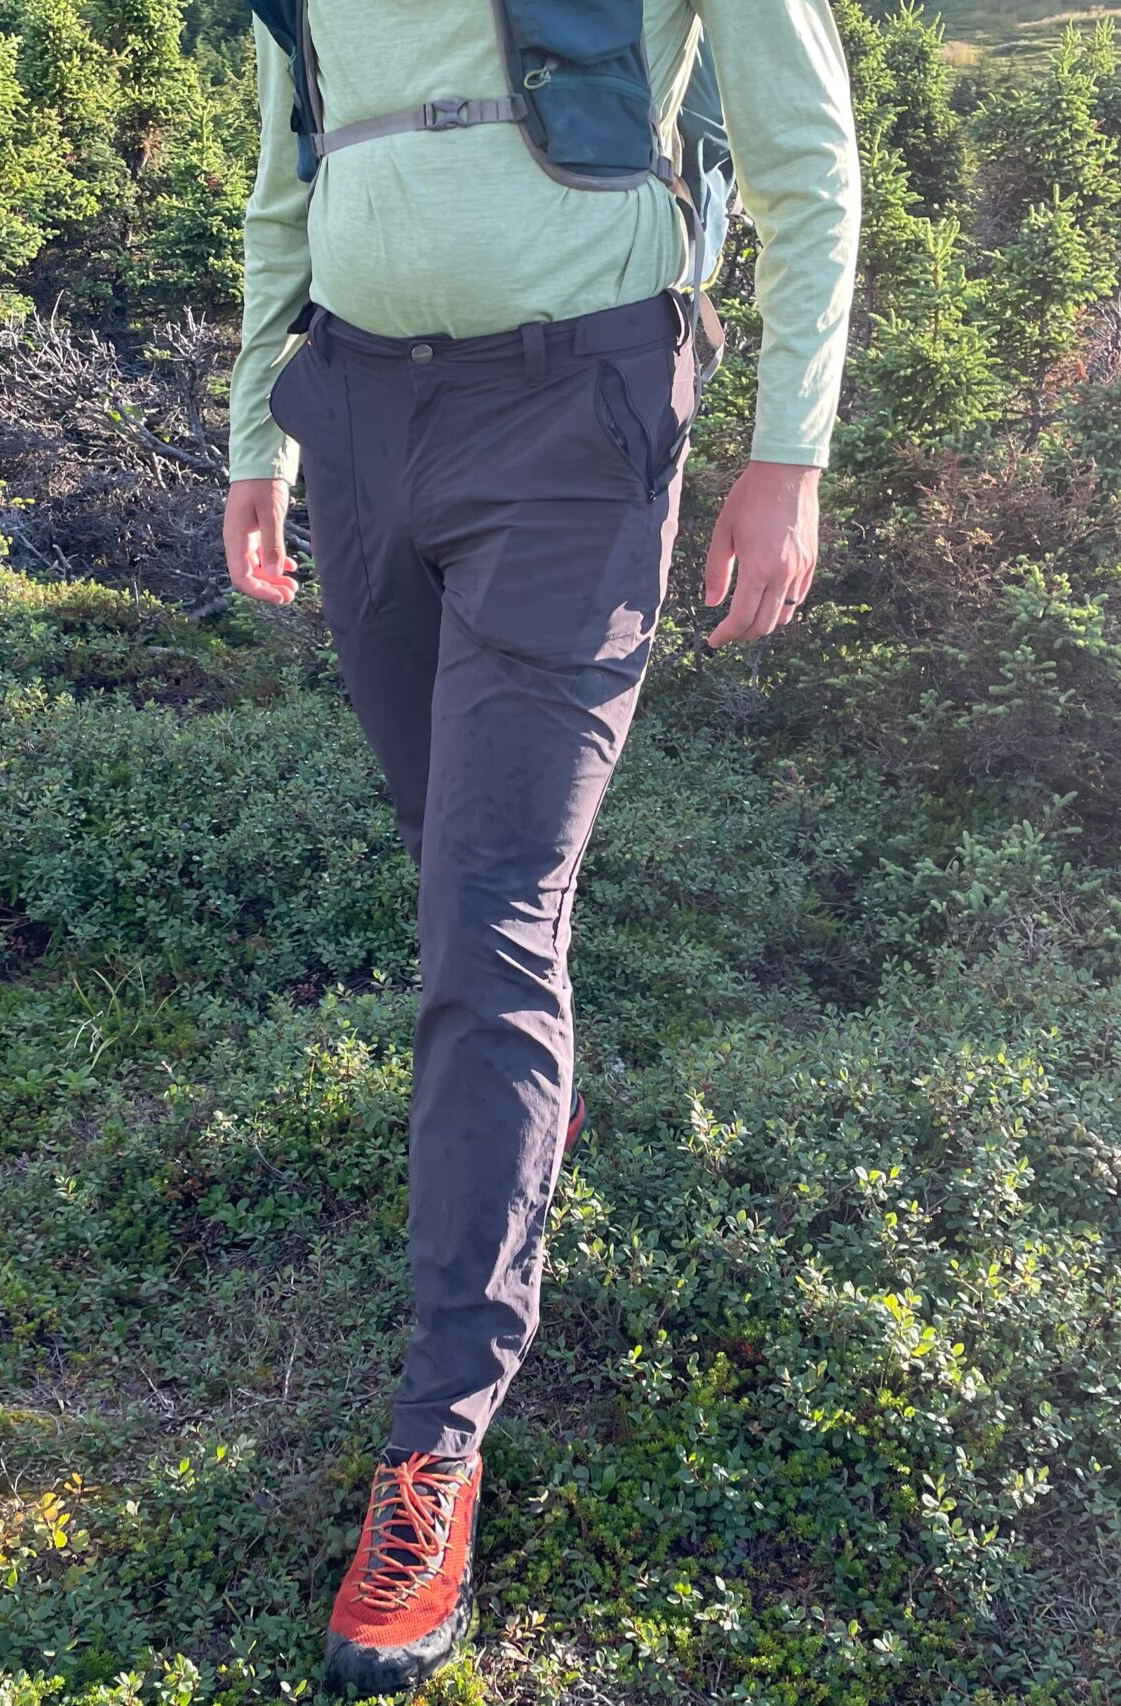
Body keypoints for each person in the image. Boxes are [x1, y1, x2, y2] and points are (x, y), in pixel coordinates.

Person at [221, 0, 859, 1690]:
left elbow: (804, 155)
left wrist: (786, 449)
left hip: (576, 414)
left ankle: (437, 1440)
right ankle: (521, 1094)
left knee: (488, 913)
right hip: (357, 413)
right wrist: (258, 428)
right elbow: (291, 165)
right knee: (461, 871)